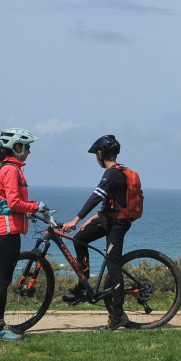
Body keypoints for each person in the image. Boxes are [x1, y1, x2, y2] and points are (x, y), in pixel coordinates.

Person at [60, 134, 142, 331]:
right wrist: (93, 218)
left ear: (100, 154)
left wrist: (76, 219)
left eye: (95, 155)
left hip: (118, 224)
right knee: (79, 239)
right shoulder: (115, 173)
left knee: (113, 264)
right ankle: (83, 285)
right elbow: (114, 202)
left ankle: (118, 315)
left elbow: (96, 196)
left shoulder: (112, 173)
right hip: (107, 220)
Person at [0, 127, 45, 342]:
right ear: (17, 147)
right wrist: (36, 206)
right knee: (3, 281)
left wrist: (32, 208)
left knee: (4, 278)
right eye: (27, 147)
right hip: (7, 230)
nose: (29, 151)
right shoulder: (11, 170)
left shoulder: (10, 167)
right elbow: (14, 203)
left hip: (7, 229)